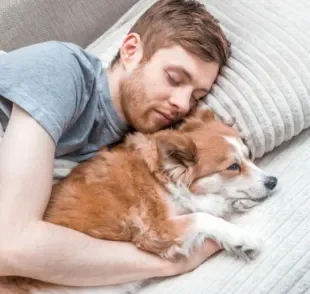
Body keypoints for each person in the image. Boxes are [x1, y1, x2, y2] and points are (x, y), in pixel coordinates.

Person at [0, 0, 230, 287]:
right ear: (131, 50)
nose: (183, 104)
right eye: (174, 79)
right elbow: (10, 244)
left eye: (196, 97)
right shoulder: (63, 69)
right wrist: (170, 262)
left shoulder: (129, 151)